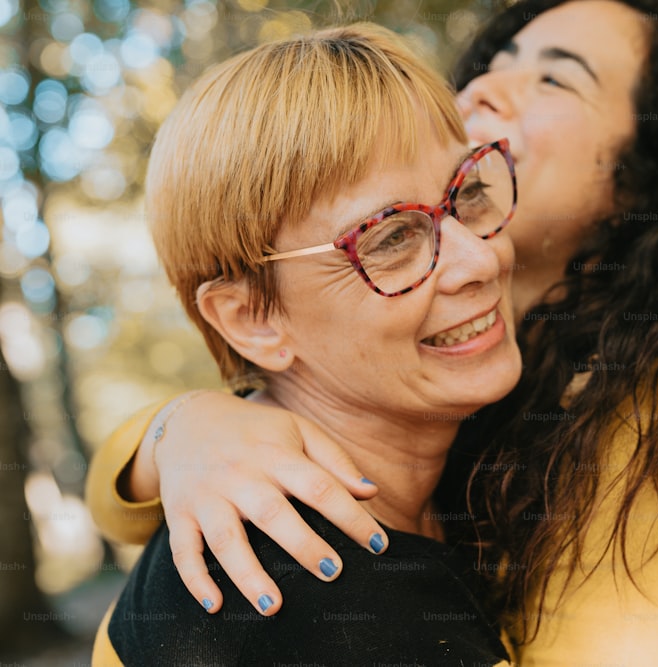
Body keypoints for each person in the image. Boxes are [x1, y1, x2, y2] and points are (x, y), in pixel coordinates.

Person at [87, 0, 658, 665]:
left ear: (650, 179)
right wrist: (181, 431)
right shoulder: (346, 514)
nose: (492, 87)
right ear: (255, 318)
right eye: (393, 236)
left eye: (556, 78)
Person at [91, 23, 525, 665]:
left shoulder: (469, 463)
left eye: (469, 194)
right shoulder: (307, 601)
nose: (479, 262)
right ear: (251, 320)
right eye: (391, 238)